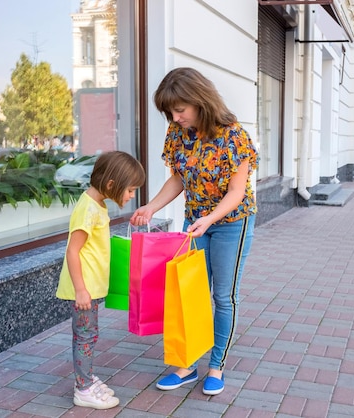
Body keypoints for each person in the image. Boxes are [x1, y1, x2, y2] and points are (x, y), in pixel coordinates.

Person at [130, 67, 258, 396]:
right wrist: (152, 207)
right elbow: (178, 178)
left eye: (180, 110)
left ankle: (216, 366)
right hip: (195, 222)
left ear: (200, 101)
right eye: (170, 111)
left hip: (231, 222)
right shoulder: (178, 133)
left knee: (223, 298)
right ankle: (187, 365)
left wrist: (211, 218)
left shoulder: (234, 135)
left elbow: (236, 192)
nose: (175, 116)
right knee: (191, 295)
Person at [56, 151, 145, 409]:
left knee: (89, 335)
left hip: (91, 287)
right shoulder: (87, 209)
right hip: (84, 289)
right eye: (129, 190)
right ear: (110, 184)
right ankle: (83, 389)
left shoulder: (98, 204)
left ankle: (86, 378)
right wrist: (81, 290)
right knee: (84, 336)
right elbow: (73, 251)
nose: (130, 196)